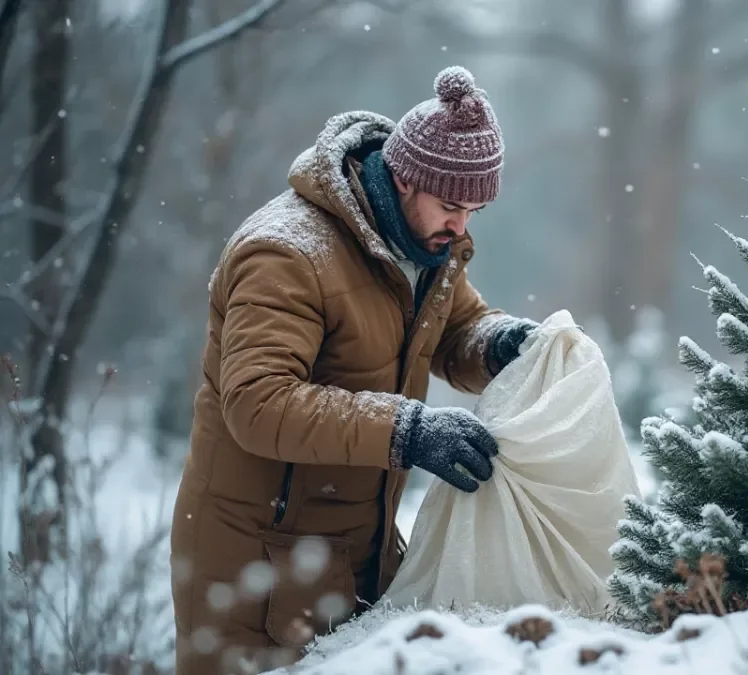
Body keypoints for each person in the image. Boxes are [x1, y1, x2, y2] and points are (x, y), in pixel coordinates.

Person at [169, 65, 538, 675]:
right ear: (402, 179)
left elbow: (456, 330)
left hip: (351, 552)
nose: (461, 227)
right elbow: (257, 403)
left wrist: (504, 344)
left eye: (474, 210)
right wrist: (406, 431)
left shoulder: (425, 248)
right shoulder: (286, 253)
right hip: (253, 569)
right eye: (451, 205)